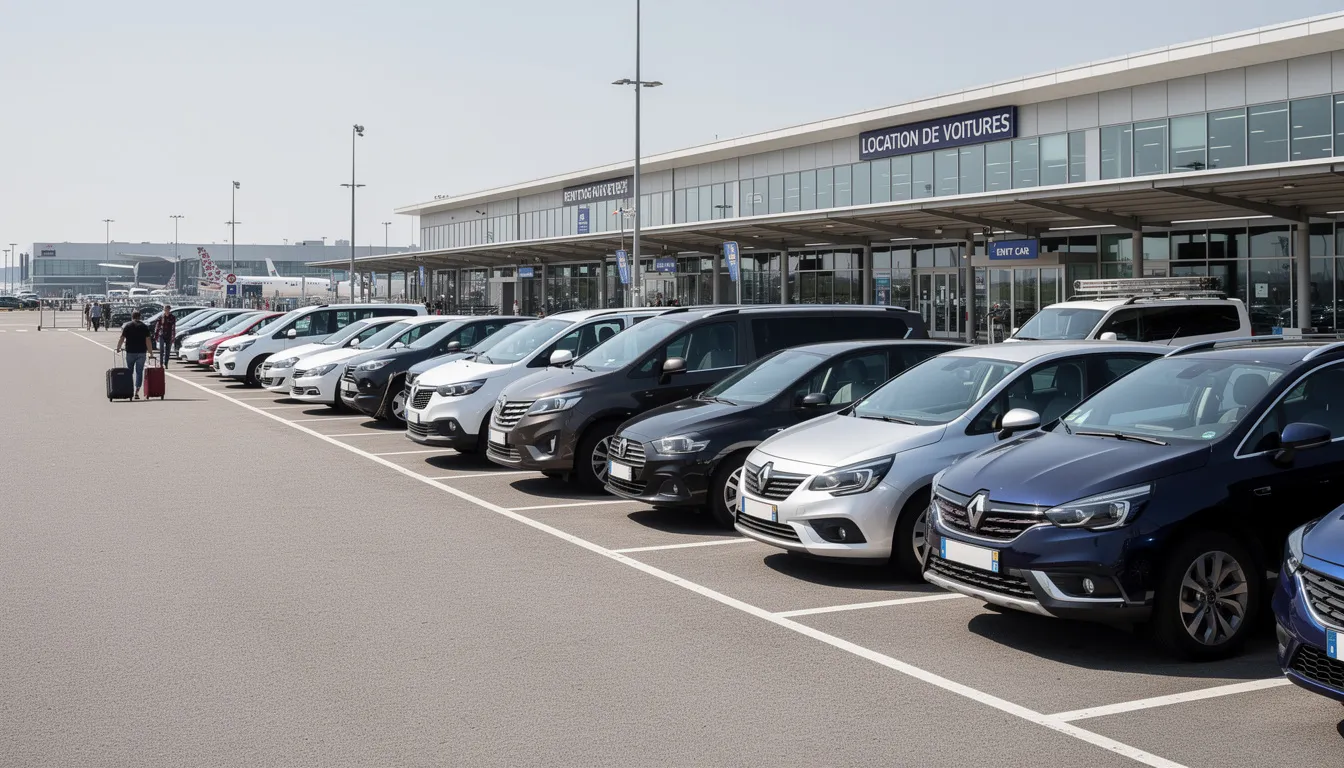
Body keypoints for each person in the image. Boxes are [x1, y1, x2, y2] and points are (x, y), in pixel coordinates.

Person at [115, 311, 155, 400]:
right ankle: (137, 391)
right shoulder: (144, 327)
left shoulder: (128, 326)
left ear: (132, 317)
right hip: (141, 352)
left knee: (129, 372)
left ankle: (129, 390)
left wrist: (118, 347)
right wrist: (150, 352)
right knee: (139, 372)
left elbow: (122, 338)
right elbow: (148, 340)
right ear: (140, 317)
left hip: (130, 352)